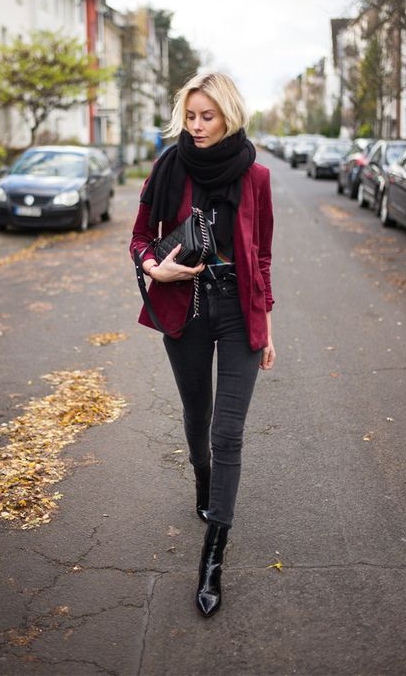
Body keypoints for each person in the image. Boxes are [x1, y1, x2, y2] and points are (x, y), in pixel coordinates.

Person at [130, 72, 275, 617]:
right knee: (198, 418)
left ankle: (212, 556)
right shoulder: (169, 166)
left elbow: (260, 257)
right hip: (185, 311)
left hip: (238, 314)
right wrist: (154, 269)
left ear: (229, 115)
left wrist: (267, 327)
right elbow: (140, 235)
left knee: (228, 432)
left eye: (206, 116)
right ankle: (202, 477)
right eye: (189, 116)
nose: (195, 127)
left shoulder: (257, 177)